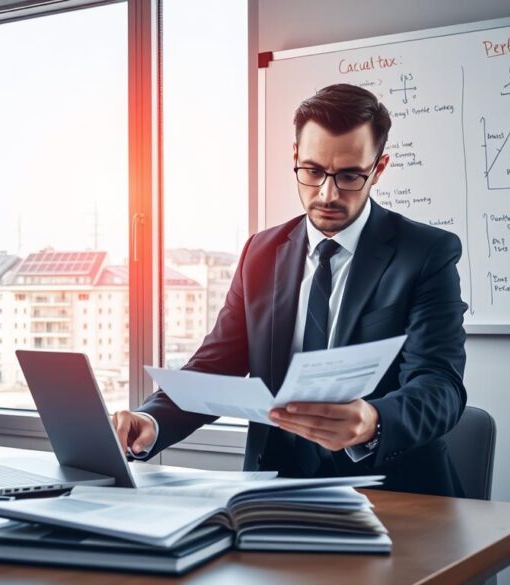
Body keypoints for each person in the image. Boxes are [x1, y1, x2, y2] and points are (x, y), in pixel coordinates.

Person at [111, 83, 468, 497]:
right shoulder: (260, 252)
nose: (327, 194)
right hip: (274, 493)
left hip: (397, 497)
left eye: (350, 175)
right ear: (295, 157)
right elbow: (216, 364)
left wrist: (374, 420)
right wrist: (150, 420)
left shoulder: (425, 254)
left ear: (379, 168)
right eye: (313, 171)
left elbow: (439, 385)